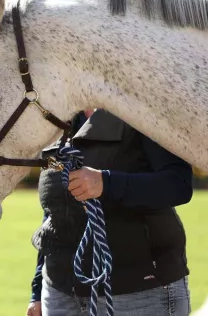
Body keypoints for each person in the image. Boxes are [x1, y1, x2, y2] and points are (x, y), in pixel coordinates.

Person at [26, 109, 193, 316]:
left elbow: (178, 184)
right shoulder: (58, 115)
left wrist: (106, 182)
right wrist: (37, 289)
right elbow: (54, 214)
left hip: (141, 293)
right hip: (59, 294)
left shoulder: (142, 110)